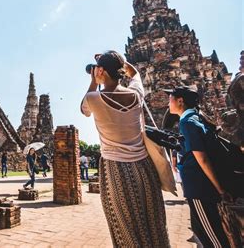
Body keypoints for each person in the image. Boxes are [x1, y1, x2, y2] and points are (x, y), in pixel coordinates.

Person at [81, 51, 170, 247]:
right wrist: (121, 62)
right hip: (145, 168)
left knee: (126, 228)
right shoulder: (136, 95)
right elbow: (135, 74)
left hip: (116, 170)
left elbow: (84, 110)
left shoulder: (94, 98)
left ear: (100, 71)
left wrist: (94, 79)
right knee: (154, 225)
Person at [167, 86, 231, 248]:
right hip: (202, 187)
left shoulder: (187, 121)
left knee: (210, 236)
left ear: (180, 101)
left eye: (170, 98)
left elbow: (201, 159)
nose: (168, 102)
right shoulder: (195, 118)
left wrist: (220, 189)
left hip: (200, 188)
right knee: (204, 231)